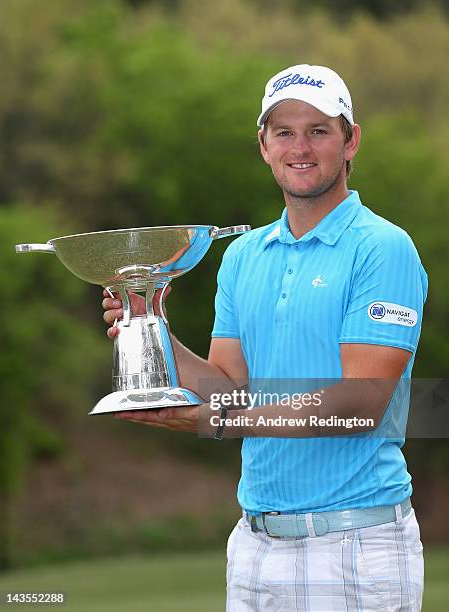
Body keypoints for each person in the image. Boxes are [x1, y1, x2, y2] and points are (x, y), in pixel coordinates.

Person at [102, 64, 427, 611]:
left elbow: (360, 404)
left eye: (319, 130)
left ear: (351, 142)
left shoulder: (383, 248)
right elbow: (227, 385)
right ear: (264, 146)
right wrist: (150, 325)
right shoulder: (243, 256)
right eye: (284, 132)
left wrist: (220, 421)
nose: (300, 146)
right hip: (254, 546)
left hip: (352, 545)